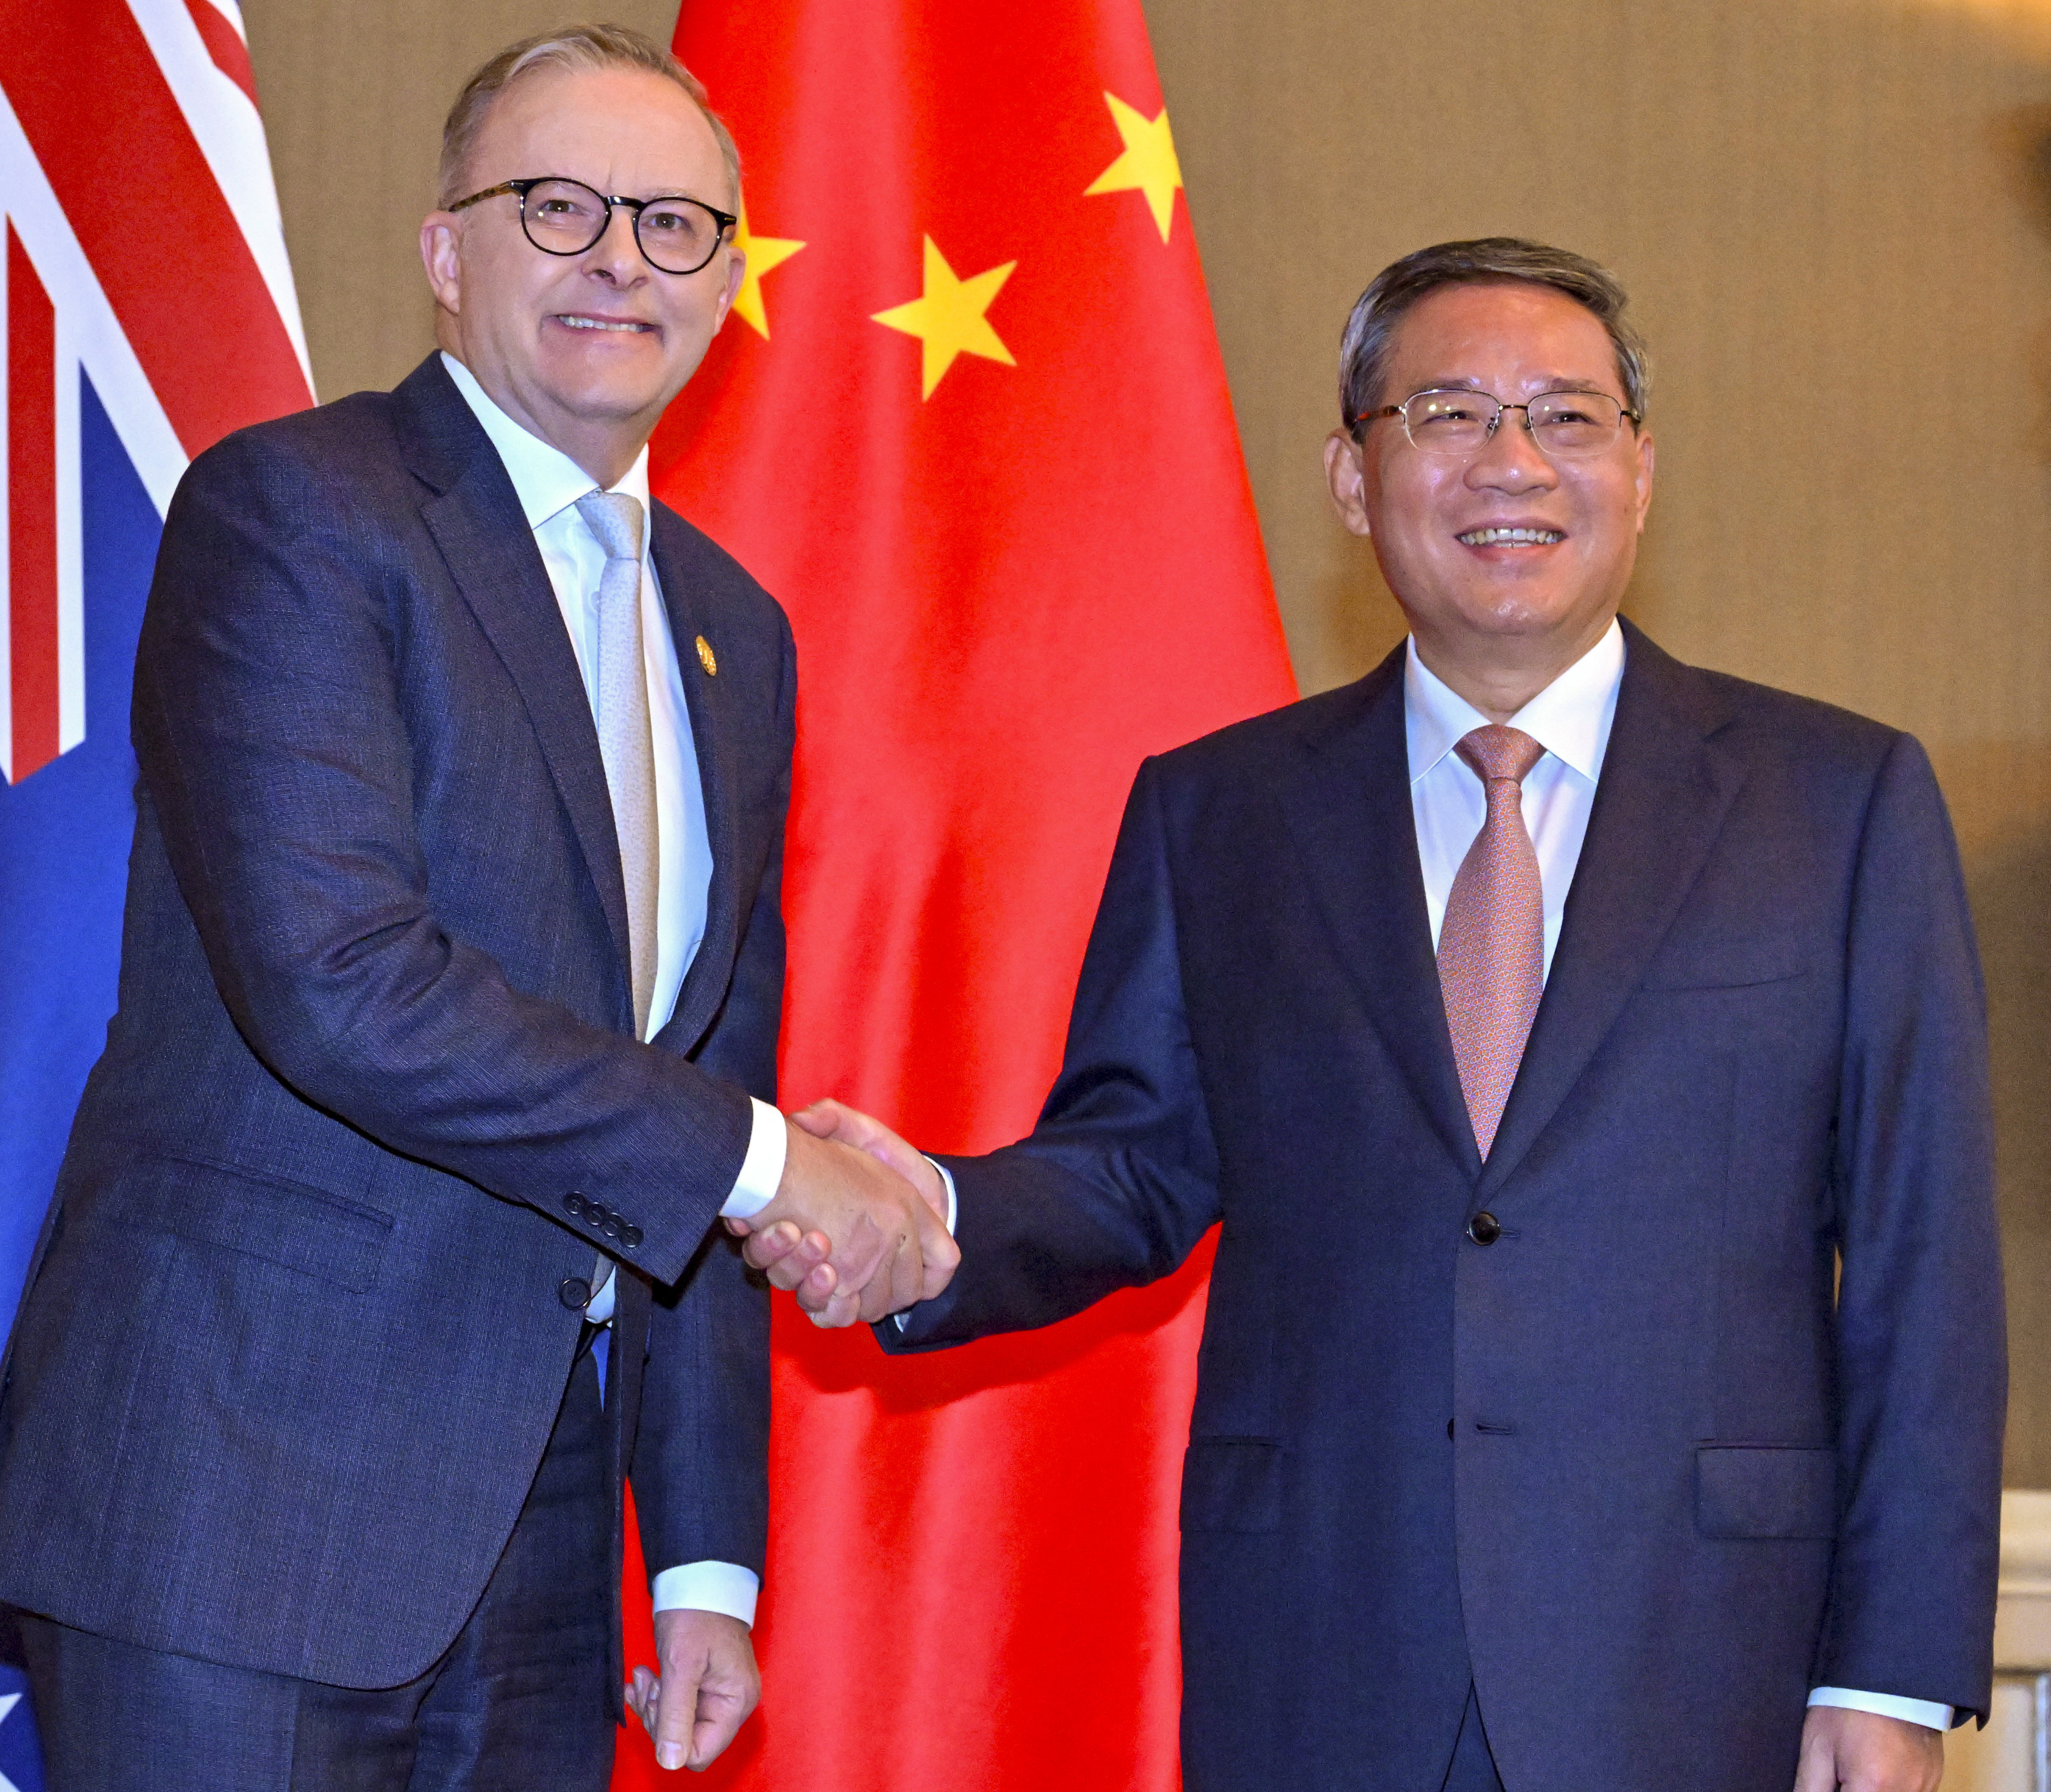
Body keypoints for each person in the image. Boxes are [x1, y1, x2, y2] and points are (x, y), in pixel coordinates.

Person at [746, 240, 2003, 1792]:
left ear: (1640, 468)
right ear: (1351, 479)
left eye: (1565, 417)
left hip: (1702, 1654)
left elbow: (1917, 1264)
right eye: (1446, 415)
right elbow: (1134, 1163)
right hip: (1324, 1636)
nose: (1511, 464)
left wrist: (1886, 1669)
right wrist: (928, 1214)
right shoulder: (1220, 811)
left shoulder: (1835, 802)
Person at [0, 24, 953, 1789]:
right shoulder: (299, 514)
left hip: (543, 1535)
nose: (621, 258)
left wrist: (702, 1553)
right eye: (558, 205)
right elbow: (345, 983)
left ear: (730, 282)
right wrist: (795, 1171)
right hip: (241, 1488)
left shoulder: (734, 629)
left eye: (677, 223)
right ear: (444, 250)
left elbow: (699, 1072)